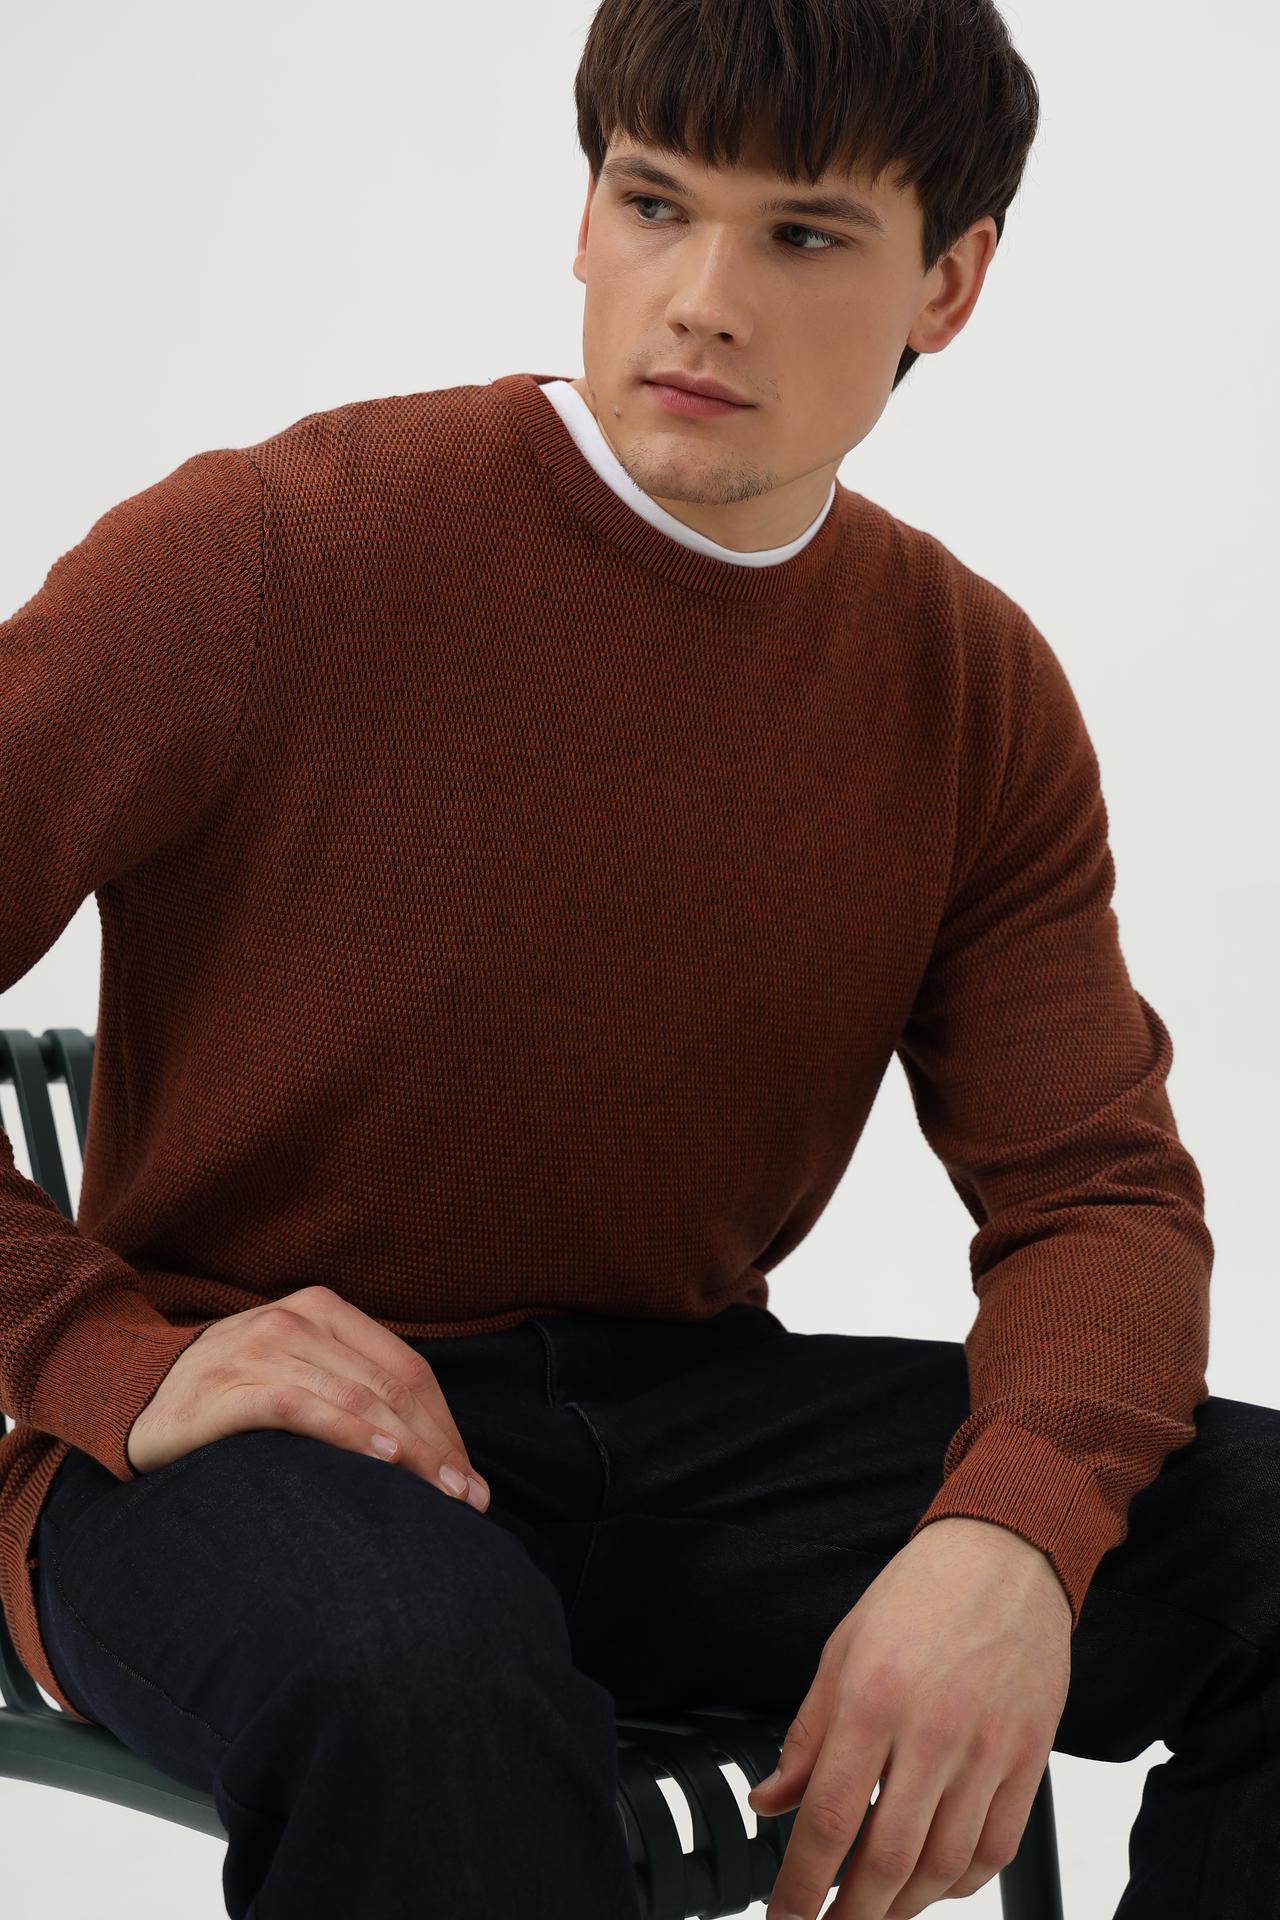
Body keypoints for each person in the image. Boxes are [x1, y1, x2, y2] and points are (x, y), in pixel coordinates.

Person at [2, 1, 1275, 1916]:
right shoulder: (276, 552)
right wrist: (97, 1350)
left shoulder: (967, 688)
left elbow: (1096, 1193)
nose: (702, 301)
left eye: (804, 235)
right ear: (585, 216)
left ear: (949, 283)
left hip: (680, 1432)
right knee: (413, 1669)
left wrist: (1014, 1533)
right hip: (224, 1444)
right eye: (655, 203)